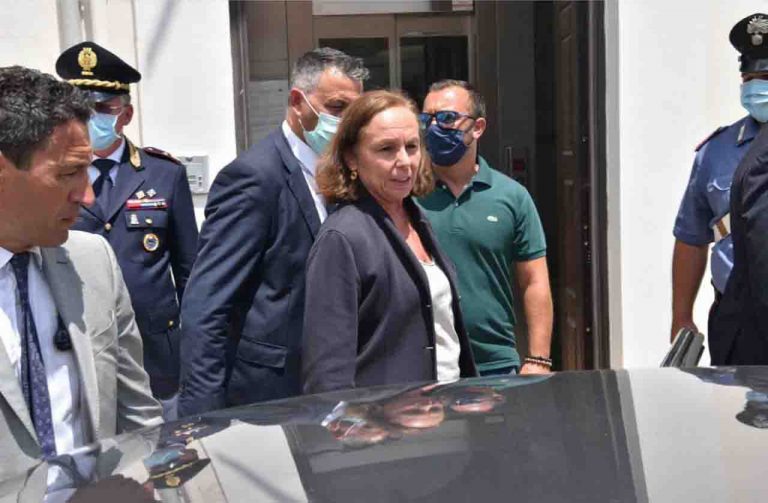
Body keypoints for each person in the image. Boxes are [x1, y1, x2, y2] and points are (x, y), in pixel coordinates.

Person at [178, 48, 368, 416]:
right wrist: (202, 416)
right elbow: (208, 305)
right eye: (337, 108)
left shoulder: (348, 177)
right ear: (297, 102)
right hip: (268, 398)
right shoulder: (254, 178)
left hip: (333, 391)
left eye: (354, 111)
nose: (347, 123)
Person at [0, 66, 161, 487]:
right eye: (67, 173)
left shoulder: (94, 261)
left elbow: (138, 415)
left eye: (86, 171)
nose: (87, 195)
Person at [55, 42, 199, 416]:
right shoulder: (53, 176)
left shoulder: (164, 173)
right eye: (81, 109)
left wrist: (195, 350)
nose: (92, 118)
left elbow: (190, 271)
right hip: (78, 339)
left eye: (104, 108)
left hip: (156, 348)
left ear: (126, 114)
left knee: (163, 442)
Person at [302, 90, 477, 394]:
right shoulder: (342, 237)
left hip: (446, 407)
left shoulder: (417, 218)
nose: (404, 161)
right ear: (352, 158)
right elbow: (327, 373)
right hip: (387, 418)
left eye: (412, 147)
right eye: (386, 149)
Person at [417, 80, 553, 376]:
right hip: (424, 364)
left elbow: (534, 280)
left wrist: (539, 359)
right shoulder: (407, 195)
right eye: (427, 119)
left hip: (494, 364)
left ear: (477, 127)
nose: (435, 127)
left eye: (447, 118)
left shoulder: (511, 197)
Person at [671, 15, 768, 345]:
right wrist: (681, 316)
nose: (757, 87)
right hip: (735, 319)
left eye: (766, 77)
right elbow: (691, 237)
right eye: (750, 78)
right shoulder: (716, 151)